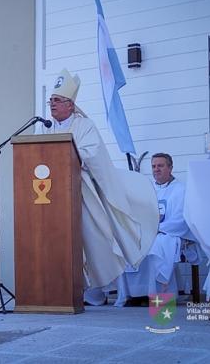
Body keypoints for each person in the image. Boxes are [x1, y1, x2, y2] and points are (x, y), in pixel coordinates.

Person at [46, 69, 158, 305]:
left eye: (56, 100)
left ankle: (92, 290)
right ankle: (60, 287)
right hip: (50, 196)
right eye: (51, 101)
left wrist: (69, 155)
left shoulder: (84, 125)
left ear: (69, 104)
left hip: (82, 193)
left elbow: (91, 153)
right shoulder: (46, 128)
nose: (52, 105)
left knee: (93, 239)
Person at [115, 153, 200, 306]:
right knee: (125, 243)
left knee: (154, 246)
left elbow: (181, 220)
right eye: (154, 166)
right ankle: (133, 294)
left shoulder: (181, 190)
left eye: (160, 166)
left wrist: (155, 229)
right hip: (151, 232)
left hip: (171, 234)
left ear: (170, 168)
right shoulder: (148, 189)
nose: (156, 169)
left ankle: (155, 294)